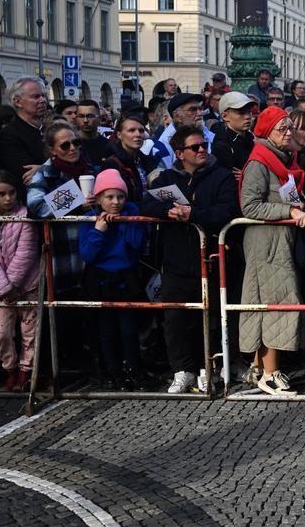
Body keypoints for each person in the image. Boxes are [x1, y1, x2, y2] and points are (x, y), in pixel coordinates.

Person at [143, 125, 240, 394]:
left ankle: (208, 368)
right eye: (195, 147)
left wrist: (192, 214)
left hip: (211, 259)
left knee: (211, 318)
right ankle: (181, 370)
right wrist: (168, 211)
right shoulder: (165, 178)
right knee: (175, 318)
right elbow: (147, 204)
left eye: (203, 146)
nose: (201, 151)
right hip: (176, 260)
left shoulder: (220, 175)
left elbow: (228, 209)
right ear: (179, 152)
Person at [239, 106, 305, 395]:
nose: (287, 134)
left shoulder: (283, 159)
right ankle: (271, 374)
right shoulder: (260, 161)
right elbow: (250, 206)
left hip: (278, 241)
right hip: (266, 243)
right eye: (281, 129)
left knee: (265, 301)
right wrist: (290, 211)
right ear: (266, 132)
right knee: (276, 303)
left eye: (288, 128)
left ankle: (259, 367)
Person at [79, 169, 149, 390]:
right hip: (100, 278)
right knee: (106, 329)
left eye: (120, 196)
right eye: (109, 197)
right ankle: (112, 370)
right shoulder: (90, 217)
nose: (116, 202)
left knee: (129, 328)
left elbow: (137, 244)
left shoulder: (131, 212)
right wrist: (99, 231)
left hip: (126, 276)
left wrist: (125, 222)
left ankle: (133, 369)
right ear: (99, 198)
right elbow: (87, 254)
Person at [0, 170, 40, 393]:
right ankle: (9, 369)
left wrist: (12, 285)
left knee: (29, 332)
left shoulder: (26, 216)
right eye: (1, 194)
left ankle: (26, 371)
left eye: (11, 193)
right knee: (1, 333)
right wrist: (4, 288)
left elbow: (26, 254)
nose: (7, 198)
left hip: (28, 285)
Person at [26, 123, 97, 296]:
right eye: (65, 145)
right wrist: (77, 199)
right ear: (52, 150)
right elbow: (37, 207)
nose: (72, 148)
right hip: (64, 254)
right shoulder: (43, 173)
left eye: (76, 142)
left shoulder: (90, 169)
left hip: (93, 251)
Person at [0, 77, 49, 180]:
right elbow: (27, 175)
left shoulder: (51, 129)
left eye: (43, 95)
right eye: (36, 96)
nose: (42, 100)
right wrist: (50, 169)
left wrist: (44, 168)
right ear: (18, 102)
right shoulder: (10, 135)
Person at [101, 114, 156, 203]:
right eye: (131, 130)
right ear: (119, 135)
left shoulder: (146, 160)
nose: (138, 134)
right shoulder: (112, 164)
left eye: (141, 130)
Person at [212, 92, 257, 174]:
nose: (247, 117)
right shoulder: (222, 147)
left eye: (249, 112)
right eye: (241, 113)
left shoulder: (252, 141)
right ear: (225, 116)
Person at [73, 99, 110, 163]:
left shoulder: (108, 145)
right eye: (81, 116)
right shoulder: (71, 145)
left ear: (99, 118)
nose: (85, 120)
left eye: (90, 116)